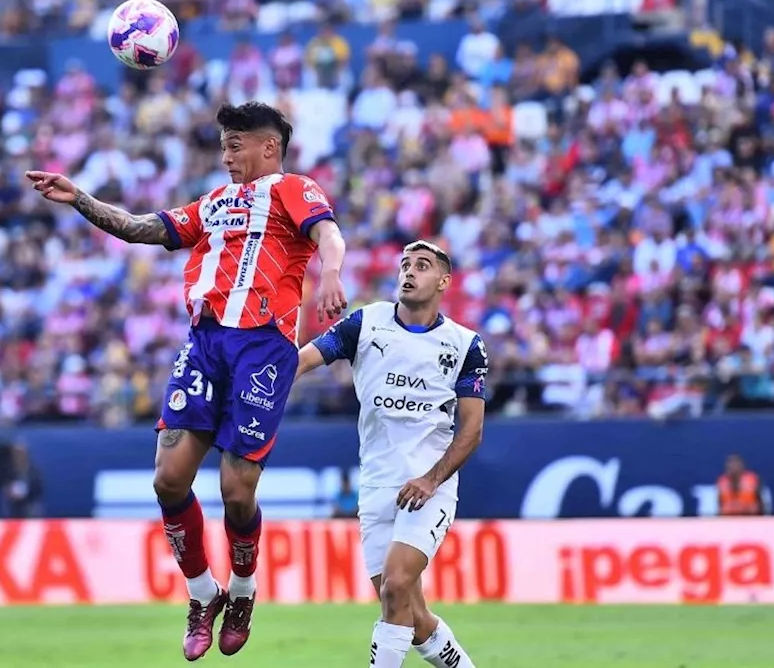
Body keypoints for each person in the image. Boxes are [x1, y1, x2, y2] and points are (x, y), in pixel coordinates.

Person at [27, 101, 348, 661]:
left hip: (263, 350)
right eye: (222, 145)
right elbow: (138, 228)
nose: (225, 155)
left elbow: (329, 236)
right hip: (204, 346)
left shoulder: (293, 188)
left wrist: (332, 277)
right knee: (168, 480)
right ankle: (204, 593)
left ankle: (243, 589)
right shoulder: (213, 204)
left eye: (235, 144)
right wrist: (78, 198)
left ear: (268, 146)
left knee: (235, 491)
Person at [295, 240, 484, 668]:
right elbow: (303, 360)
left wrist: (431, 480)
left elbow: (471, 430)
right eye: (405, 265)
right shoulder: (365, 323)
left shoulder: (466, 345)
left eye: (422, 266)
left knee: (397, 585)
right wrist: (259, 380)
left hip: (429, 486)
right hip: (377, 484)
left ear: (443, 281)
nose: (409, 272)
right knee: (410, 615)